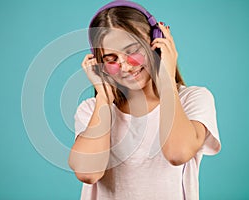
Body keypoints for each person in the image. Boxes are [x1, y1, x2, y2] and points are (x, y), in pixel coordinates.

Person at [68, 1, 221, 199]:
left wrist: (165, 78)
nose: (125, 66)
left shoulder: (193, 100)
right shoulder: (91, 110)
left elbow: (178, 153)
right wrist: (104, 98)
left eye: (132, 51)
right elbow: (88, 172)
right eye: (111, 58)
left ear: (157, 43)